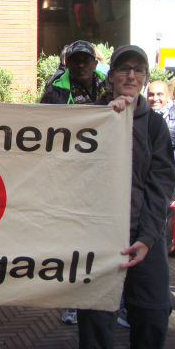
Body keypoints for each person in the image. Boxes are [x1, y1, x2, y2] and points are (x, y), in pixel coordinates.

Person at [78, 45, 175, 349]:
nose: (131, 75)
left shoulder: (156, 126)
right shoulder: (91, 117)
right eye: (123, 69)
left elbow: (161, 186)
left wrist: (148, 238)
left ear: (146, 78)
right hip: (98, 233)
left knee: (153, 311)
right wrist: (110, 120)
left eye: (138, 70)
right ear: (112, 76)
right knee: (95, 311)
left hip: (144, 235)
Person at [41, 40, 108, 325]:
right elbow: (42, 128)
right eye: (75, 60)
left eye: (86, 60)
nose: (81, 65)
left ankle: (110, 297)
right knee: (75, 241)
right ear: (67, 63)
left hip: (106, 173)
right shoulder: (55, 88)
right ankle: (74, 302)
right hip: (71, 176)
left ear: (95, 62)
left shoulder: (111, 83)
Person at [40, 40, 108, 106]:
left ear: (95, 64)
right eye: (76, 61)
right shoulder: (55, 95)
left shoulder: (110, 86)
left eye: (86, 60)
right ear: (67, 65)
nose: (81, 65)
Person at [146, 80, 175, 153]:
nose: (155, 99)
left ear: (168, 96)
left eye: (159, 94)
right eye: (151, 95)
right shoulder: (141, 117)